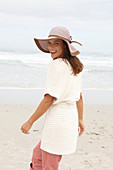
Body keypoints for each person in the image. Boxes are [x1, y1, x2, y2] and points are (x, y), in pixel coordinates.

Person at [21, 26, 85, 170]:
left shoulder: (56, 65)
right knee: (37, 157)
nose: (51, 47)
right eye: (50, 43)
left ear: (65, 46)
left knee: (49, 165)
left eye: (56, 43)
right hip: (68, 120)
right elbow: (79, 97)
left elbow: (49, 98)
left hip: (58, 123)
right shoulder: (75, 66)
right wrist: (80, 119)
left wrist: (30, 122)